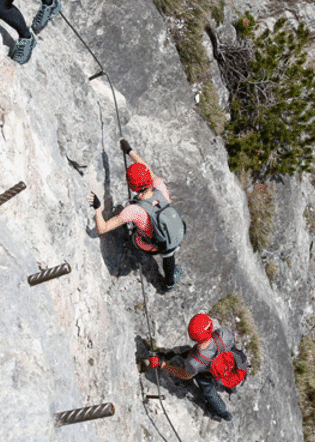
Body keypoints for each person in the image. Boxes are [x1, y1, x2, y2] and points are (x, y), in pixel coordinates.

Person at [87, 139, 184, 292]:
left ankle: (138, 242)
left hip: (150, 246)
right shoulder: (160, 186)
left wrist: (98, 208)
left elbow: (102, 229)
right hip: (172, 236)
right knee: (167, 254)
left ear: (131, 186)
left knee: (135, 239)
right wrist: (129, 150)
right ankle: (170, 283)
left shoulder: (133, 211)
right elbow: (147, 168)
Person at [144, 313, 236, 421]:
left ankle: (223, 413)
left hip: (208, 373)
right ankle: (231, 387)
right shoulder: (223, 333)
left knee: (210, 392)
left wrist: (162, 365)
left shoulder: (194, 361)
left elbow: (185, 375)